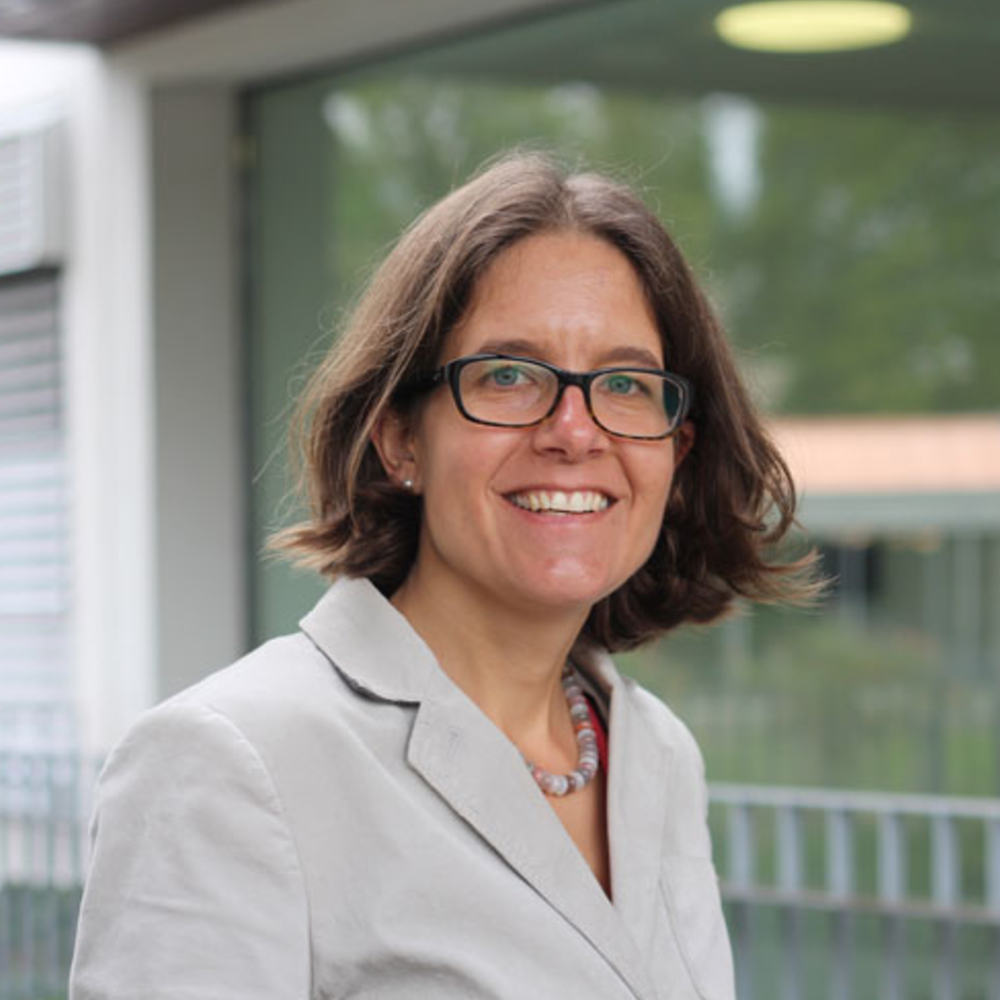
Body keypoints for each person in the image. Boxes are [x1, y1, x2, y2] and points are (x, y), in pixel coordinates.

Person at [70, 151, 814, 1000]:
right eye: (508, 375)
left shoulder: (656, 754)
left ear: (676, 450)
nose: (576, 431)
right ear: (399, 440)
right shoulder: (232, 761)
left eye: (626, 383)